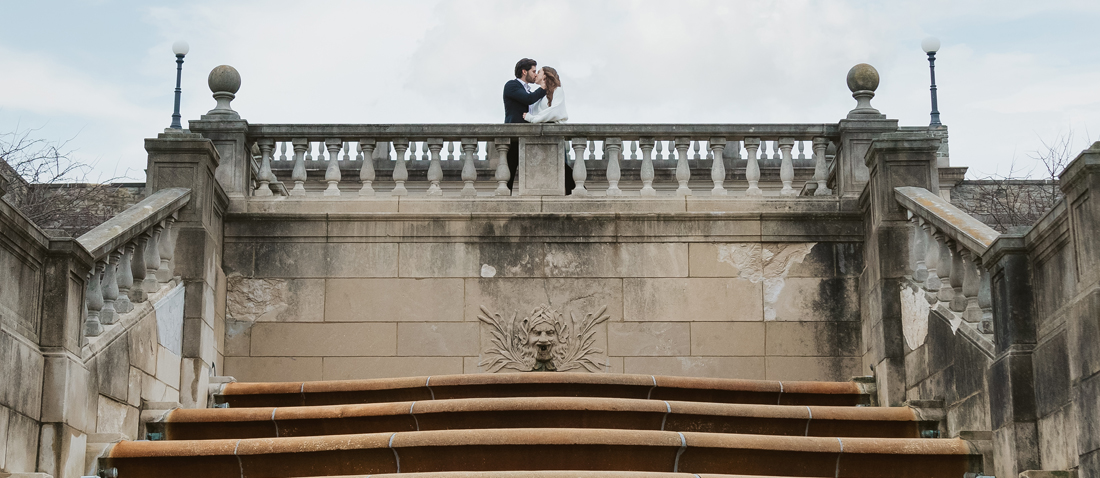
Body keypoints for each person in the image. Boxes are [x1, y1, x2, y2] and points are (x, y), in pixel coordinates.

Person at [522, 66, 574, 194]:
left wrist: (532, 118)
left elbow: (555, 111)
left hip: (554, 134)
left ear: (545, 76)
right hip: (539, 136)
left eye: (538, 72)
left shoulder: (557, 91)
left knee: (561, 168)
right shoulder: (540, 94)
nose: (536, 75)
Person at [503, 58, 545, 192]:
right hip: (515, 135)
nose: (536, 74)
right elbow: (528, 99)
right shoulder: (511, 85)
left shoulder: (528, 90)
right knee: (509, 170)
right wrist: (544, 87)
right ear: (524, 71)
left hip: (530, 135)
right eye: (533, 71)